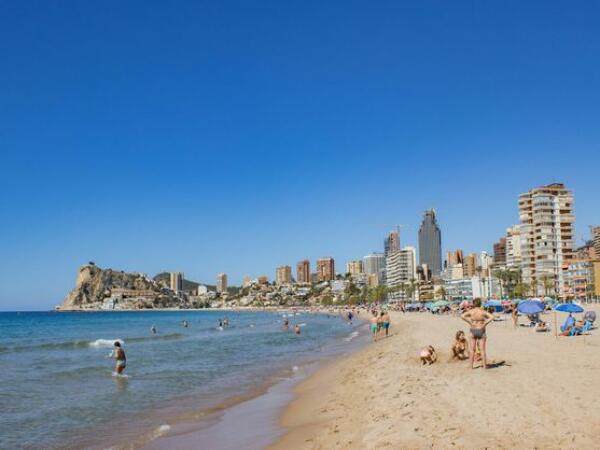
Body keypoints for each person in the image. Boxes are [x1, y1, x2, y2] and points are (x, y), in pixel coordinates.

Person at [461, 298, 495, 369]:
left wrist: (469, 322)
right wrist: (485, 323)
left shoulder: (471, 311)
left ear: (473, 304)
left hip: (473, 330)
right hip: (481, 330)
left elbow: (462, 316)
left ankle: (471, 366)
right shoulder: (483, 311)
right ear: (480, 304)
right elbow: (492, 317)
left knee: (472, 350)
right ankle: (484, 366)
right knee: (482, 350)